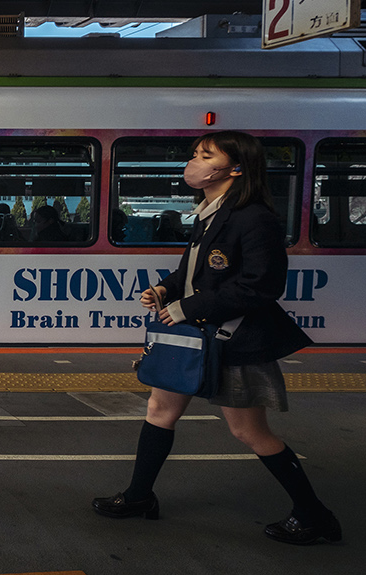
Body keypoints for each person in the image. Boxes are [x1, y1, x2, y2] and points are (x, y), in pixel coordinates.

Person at [93, 131, 339, 545]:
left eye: (205, 155)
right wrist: (165, 291)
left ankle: (315, 515)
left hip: (235, 339)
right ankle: (139, 497)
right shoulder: (209, 213)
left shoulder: (253, 218)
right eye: (195, 154)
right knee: (159, 410)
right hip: (199, 336)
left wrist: (187, 308)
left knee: (248, 432)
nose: (193, 162)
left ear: (235, 168)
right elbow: (192, 273)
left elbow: (261, 286)